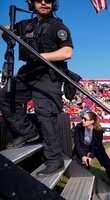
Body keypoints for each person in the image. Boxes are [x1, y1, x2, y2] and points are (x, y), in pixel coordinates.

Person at [0, 0, 73, 176]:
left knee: (45, 114)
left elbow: (67, 53)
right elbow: (7, 29)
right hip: (29, 72)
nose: (44, 3)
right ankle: (28, 132)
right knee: (5, 97)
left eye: (48, 0)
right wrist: (6, 33)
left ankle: (55, 161)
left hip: (49, 74)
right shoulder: (26, 24)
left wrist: (41, 56)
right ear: (31, 2)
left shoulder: (58, 26)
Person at [73, 111, 110, 188]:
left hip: (96, 148)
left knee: (109, 164)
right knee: (77, 165)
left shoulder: (98, 130)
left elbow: (97, 145)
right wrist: (83, 156)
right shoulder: (79, 127)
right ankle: (80, 184)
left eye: (85, 119)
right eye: (82, 118)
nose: (82, 120)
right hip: (82, 148)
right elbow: (77, 143)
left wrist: (91, 156)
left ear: (92, 121)